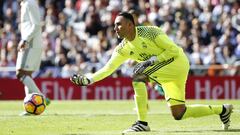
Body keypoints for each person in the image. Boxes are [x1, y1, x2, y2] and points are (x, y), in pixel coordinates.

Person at [70, 12, 233, 133]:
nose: (115, 28)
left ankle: (142, 123)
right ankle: (223, 110)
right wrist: (88, 80)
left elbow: (174, 51)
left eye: (119, 24)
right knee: (179, 113)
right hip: (167, 75)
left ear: (130, 25)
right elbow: (108, 68)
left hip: (177, 63)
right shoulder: (123, 48)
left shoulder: (150, 32)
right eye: (114, 25)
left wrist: (153, 60)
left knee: (138, 75)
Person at [16, 0, 49, 116]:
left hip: (31, 44)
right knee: (27, 75)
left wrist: (25, 39)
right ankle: (30, 108)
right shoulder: (25, 3)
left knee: (21, 73)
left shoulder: (30, 3)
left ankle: (42, 98)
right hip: (31, 43)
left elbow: (36, 25)